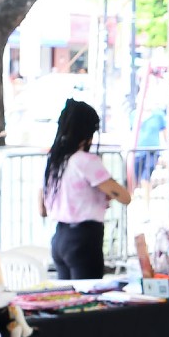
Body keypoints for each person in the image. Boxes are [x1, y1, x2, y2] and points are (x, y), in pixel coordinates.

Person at [39, 100, 130, 281]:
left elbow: (41, 209)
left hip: (60, 237)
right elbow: (124, 197)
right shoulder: (85, 161)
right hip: (83, 238)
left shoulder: (54, 161)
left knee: (68, 301)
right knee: (89, 300)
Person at [133, 106, 167, 189]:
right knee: (135, 179)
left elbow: (165, 132)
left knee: (146, 178)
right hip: (137, 152)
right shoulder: (134, 114)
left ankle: (146, 201)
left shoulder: (158, 115)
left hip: (153, 152)